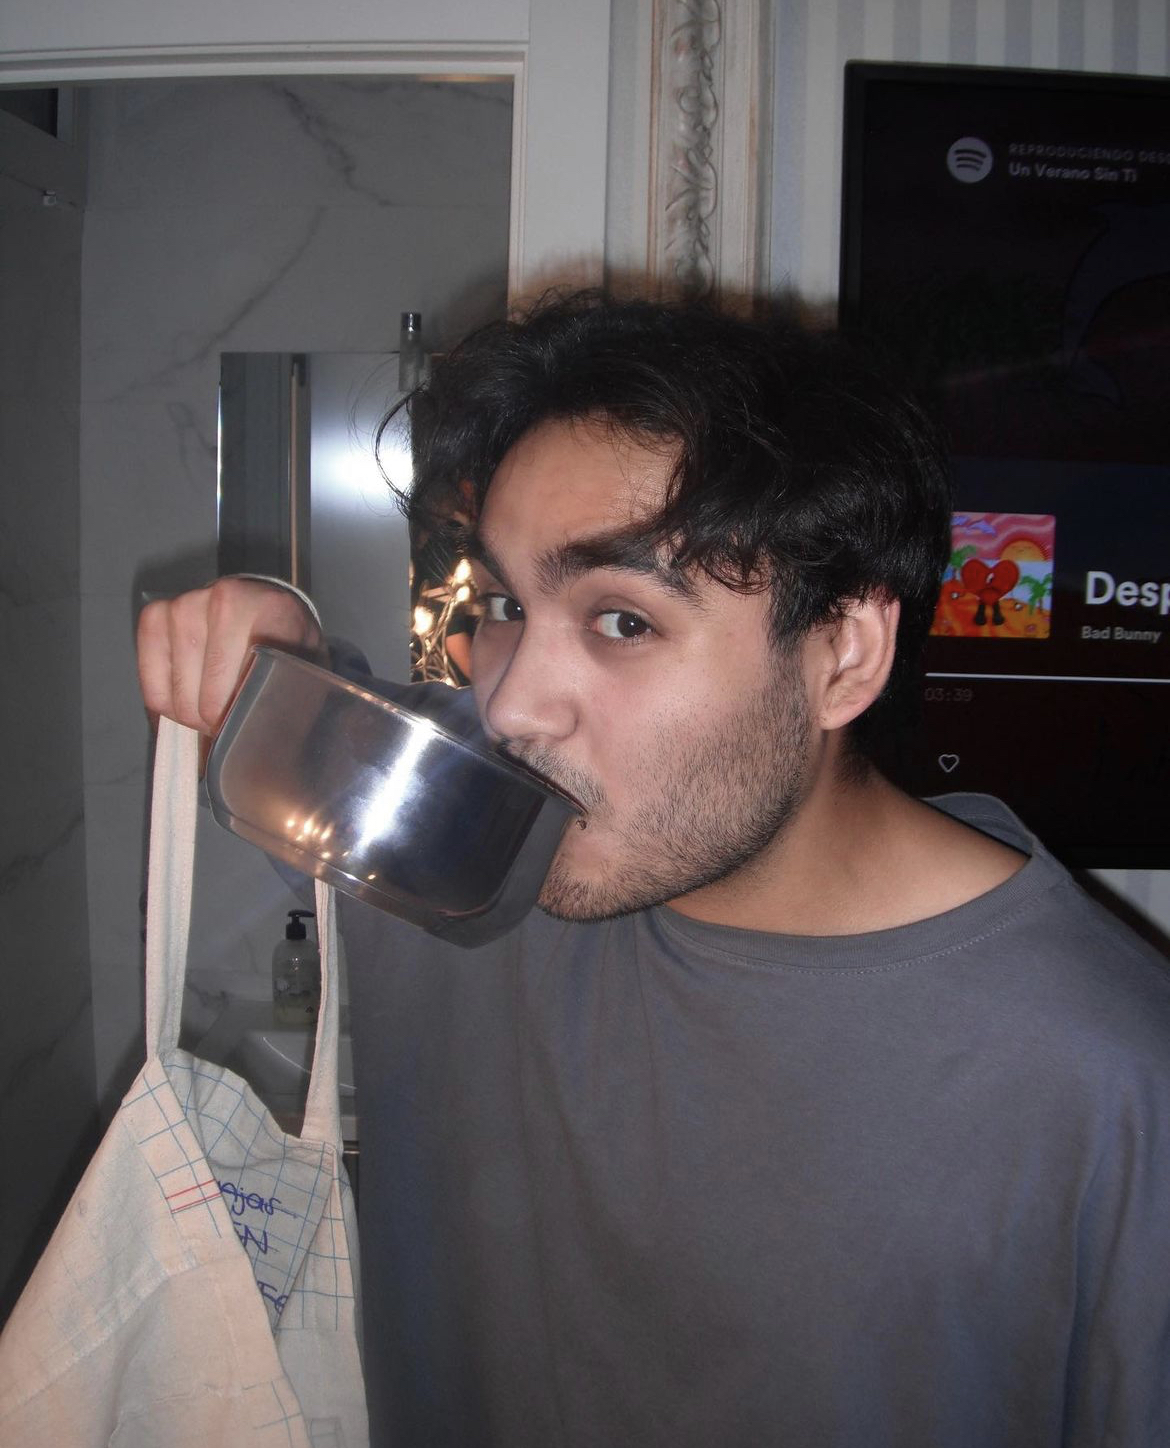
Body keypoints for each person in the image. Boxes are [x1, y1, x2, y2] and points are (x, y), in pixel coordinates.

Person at [137, 292, 1170, 1447]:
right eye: (505, 606)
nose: (514, 703)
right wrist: (275, 652)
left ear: (845, 655)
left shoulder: (1110, 1080)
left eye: (622, 620)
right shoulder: (468, 840)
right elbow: (291, 705)